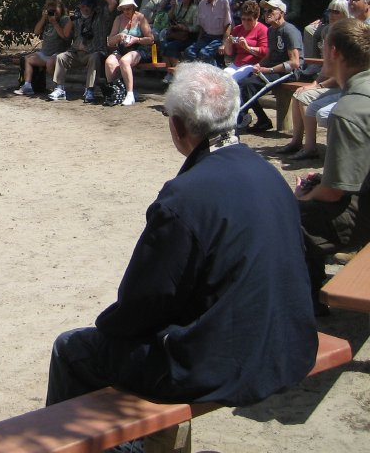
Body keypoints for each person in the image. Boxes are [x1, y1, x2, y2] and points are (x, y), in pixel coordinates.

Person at [46, 62, 317, 410]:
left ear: (177, 126)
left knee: (72, 348)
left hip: (226, 365)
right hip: (288, 343)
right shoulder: (269, 174)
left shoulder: (183, 198)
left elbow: (143, 301)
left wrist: (108, 329)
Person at [296, 19, 370, 313]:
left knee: (292, 217)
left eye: (322, 46)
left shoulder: (349, 109)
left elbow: (334, 193)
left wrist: (303, 197)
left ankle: (309, 301)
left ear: (334, 52)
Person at [279, 0, 351, 161]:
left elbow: (342, 72)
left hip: (342, 85)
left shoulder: (346, 36)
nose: (331, 14)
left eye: (336, 11)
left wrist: (319, 85)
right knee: (299, 93)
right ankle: (297, 141)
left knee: (304, 97)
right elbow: (327, 67)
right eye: (330, 11)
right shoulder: (329, 32)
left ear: (345, 14)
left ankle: (310, 146)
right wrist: (314, 83)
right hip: (333, 82)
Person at [235, 0, 304, 133]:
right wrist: (259, 65)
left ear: (282, 12)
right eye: (265, 11)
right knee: (243, 81)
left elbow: (295, 62)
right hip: (274, 69)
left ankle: (245, 119)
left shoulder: (290, 31)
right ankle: (261, 120)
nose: (267, 13)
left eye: (271, 10)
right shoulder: (271, 30)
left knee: (249, 85)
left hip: (289, 72)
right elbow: (269, 55)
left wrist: (269, 69)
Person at [49, 0, 116, 102]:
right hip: (76, 53)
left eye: (88, 6)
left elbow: (113, 3)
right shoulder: (76, 18)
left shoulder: (101, 16)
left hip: (93, 53)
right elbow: (65, 35)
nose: (85, 8)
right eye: (83, 5)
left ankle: (89, 90)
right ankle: (60, 89)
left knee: (95, 57)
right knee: (60, 57)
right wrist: (70, 19)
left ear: (93, 7)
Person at [101, 0, 154, 107]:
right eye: (123, 9)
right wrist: (119, 36)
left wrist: (136, 39)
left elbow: (151, 39)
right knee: (109, 62)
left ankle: (130, 94)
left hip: (139, 49)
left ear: (133, 7)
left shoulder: (140, 18)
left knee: (124, 61)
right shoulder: (118, 19)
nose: (126, 11)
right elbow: (110, 41)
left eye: (128, 8)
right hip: (122, 49)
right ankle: (115, 91)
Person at [15, 0, 73, 96]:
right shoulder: (47, 20)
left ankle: (58, 87)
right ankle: (27, 85)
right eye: (50, 10)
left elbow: (64, 36)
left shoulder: (65, 19)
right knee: (26, 59)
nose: (53, 12)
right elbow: (36, 32)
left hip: (59, 53)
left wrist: (55, 23)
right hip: (45, 53)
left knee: (50, 63)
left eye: (55, 9)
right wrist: (43, 18)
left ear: (61, 9)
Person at [157, 0, 200, 82]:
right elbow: (169, 18)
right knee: (164, 45)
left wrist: (185, 28)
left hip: (188, 36)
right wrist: (173, 7)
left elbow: (197, 28)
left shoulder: (195, 9)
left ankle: (176, 74)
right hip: (177, 34)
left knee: (171, 46)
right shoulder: (179, 5)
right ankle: (169, 72)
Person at [183, 0, 232, 65]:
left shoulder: (223, 2)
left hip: (219, 38)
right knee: (189, 51)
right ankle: (200, 71)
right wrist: (198, 41)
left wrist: (224, 44)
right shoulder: (202, 4)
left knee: (204, 53)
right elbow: (201, 26)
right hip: (206, 37)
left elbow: (228, 25)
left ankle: (214, 72)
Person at [222, 0, 269, 81]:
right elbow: (229, 53)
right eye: (243, 19)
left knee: (232, 80)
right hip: (237, 64)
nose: (245, 22)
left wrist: (247, 47)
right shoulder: (237, 29)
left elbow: (265, 52)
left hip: (252, 65)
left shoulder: (263, 30)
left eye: (249, 20)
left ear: (256, 18)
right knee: (221, 78)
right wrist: (228, 43)